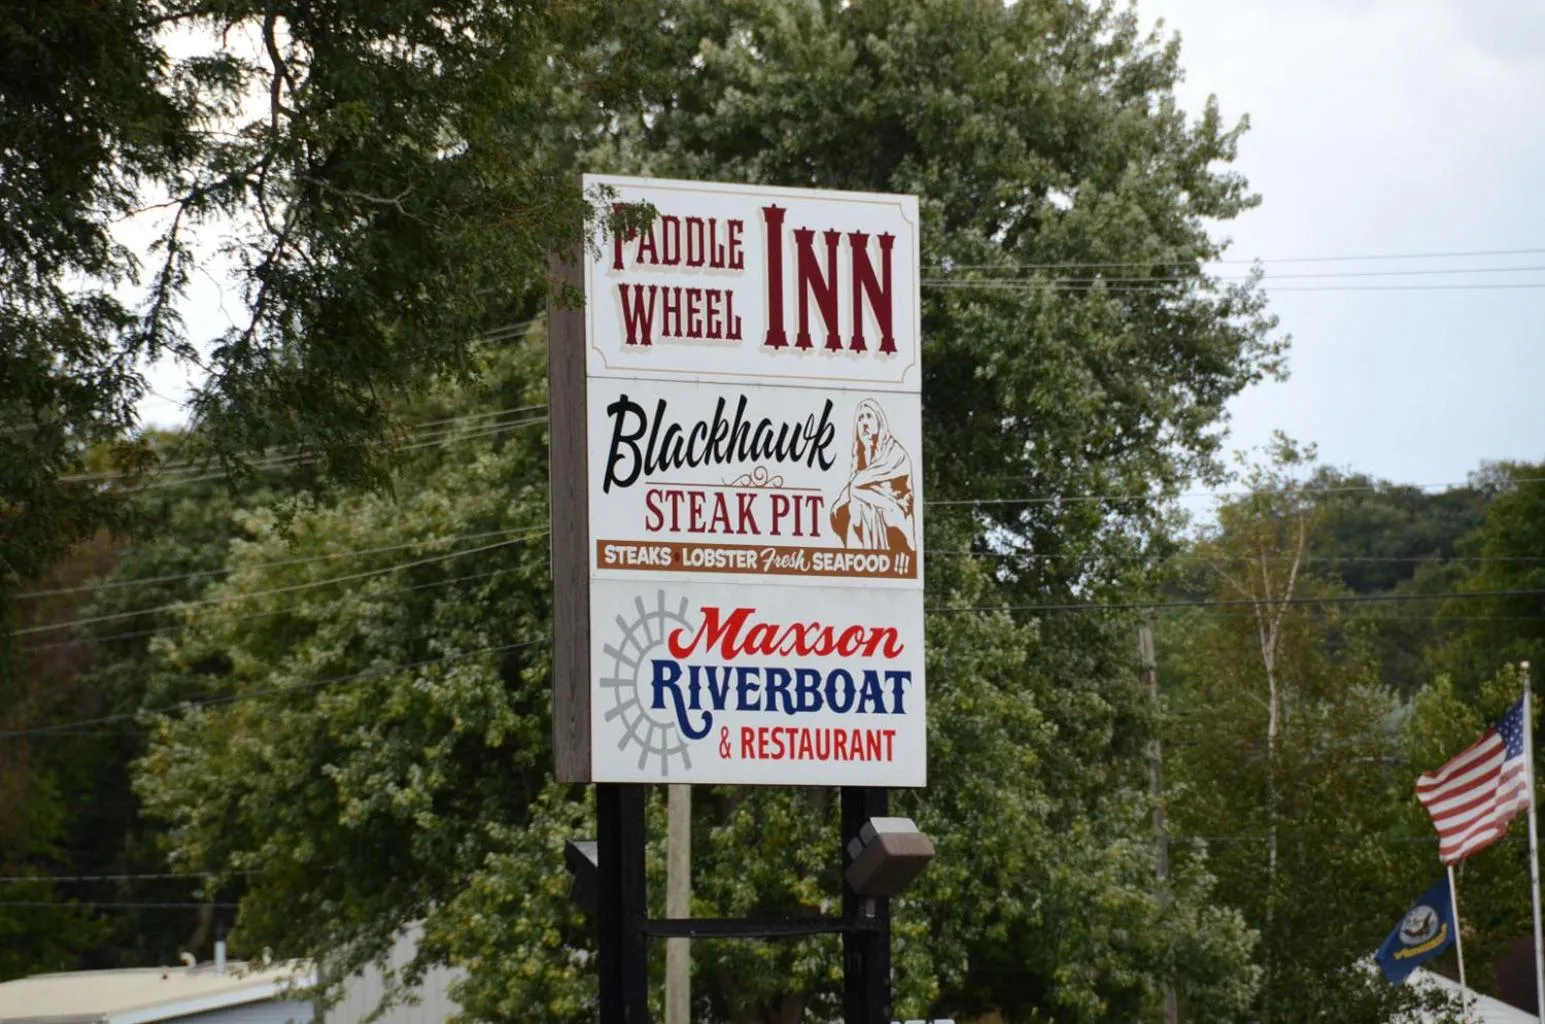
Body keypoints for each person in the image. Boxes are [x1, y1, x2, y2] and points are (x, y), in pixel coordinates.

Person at [829, 398, 916, 552]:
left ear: (879, 421)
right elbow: (845, 499)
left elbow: (903, 502)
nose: (864, 423)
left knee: (857, 496)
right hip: (866, 522)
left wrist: (859, 493)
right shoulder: (861, 462)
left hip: (894, 521)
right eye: (860, 418)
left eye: (869, 416)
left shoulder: (895, 454)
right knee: (850, 505)